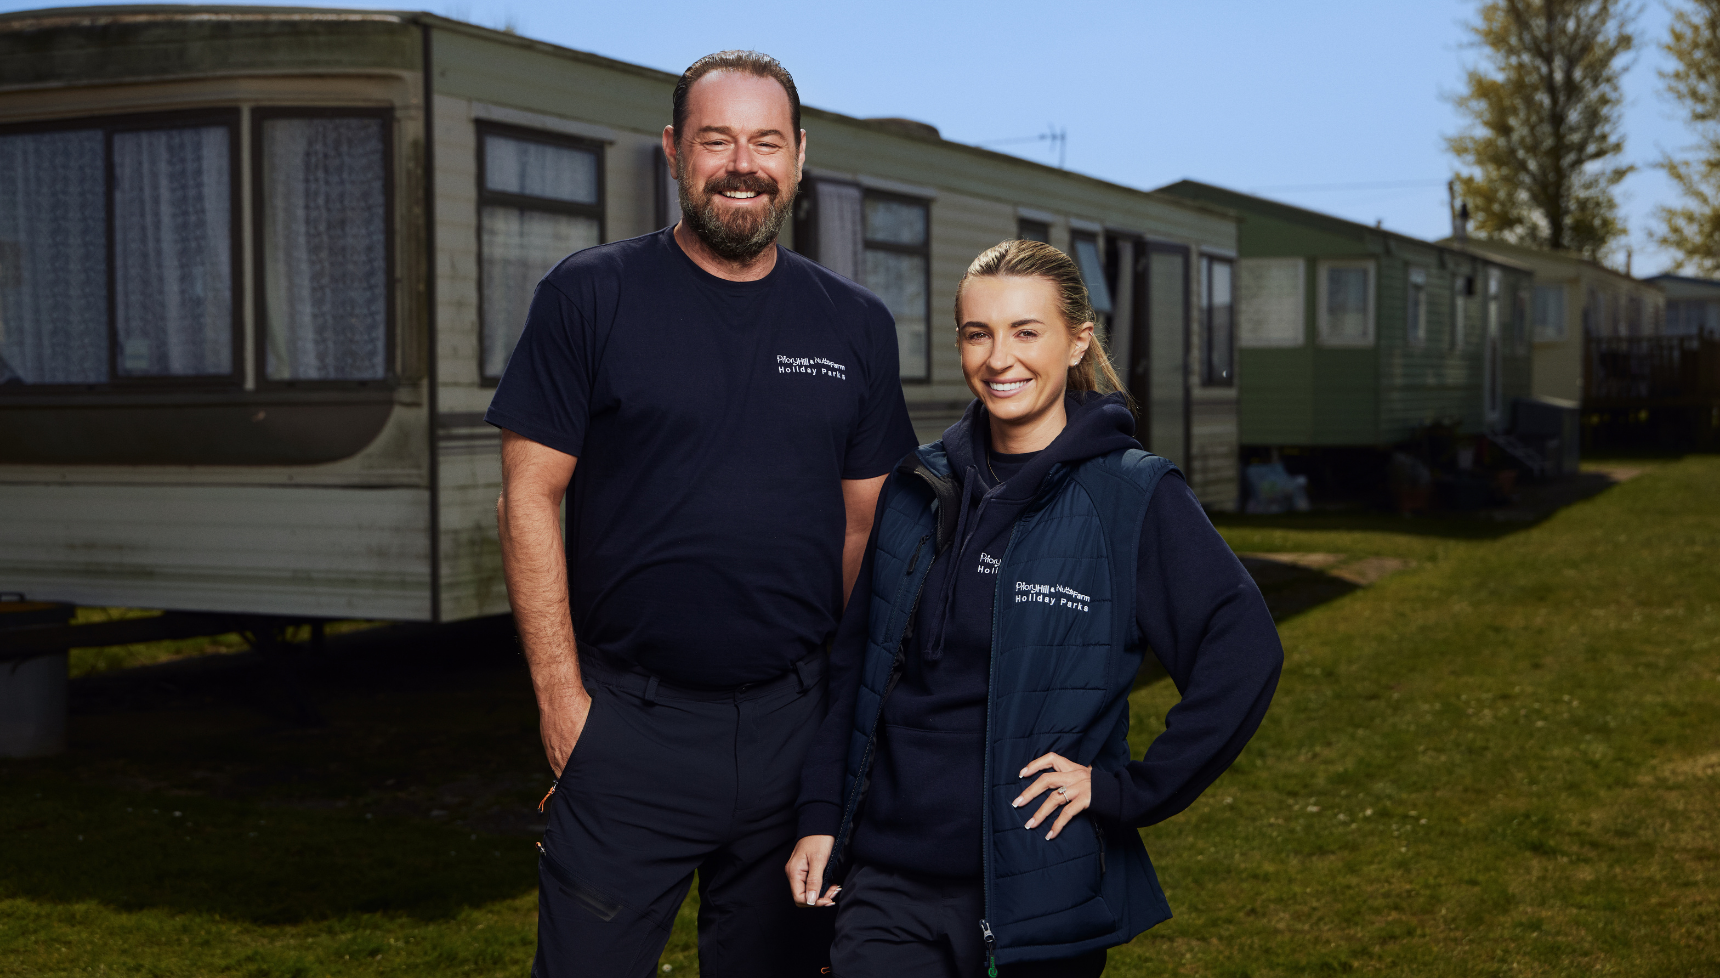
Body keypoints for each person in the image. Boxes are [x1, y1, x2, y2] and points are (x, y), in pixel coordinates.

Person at [487, 50, 917, 978]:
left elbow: (866, 530)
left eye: (766, 141)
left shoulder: (855, 325)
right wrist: (564, 710)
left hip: (792, 736)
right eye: (716, 138)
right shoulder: (590, 295)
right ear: (674, 150)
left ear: (799, 157)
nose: (742, 162)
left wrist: (849, 722)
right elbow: (528, 498)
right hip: (627, 728)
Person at [786, 240, 1284, 976]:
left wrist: (1128, 792)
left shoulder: (1131, 497)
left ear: (1079, 338)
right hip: (887, 883)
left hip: (1035, 895)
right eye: (977, 333)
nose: (999, 359)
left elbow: (1242, 651)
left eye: (1026, 331)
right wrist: (821, 817)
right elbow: (854, 668)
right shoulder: (917, 486)